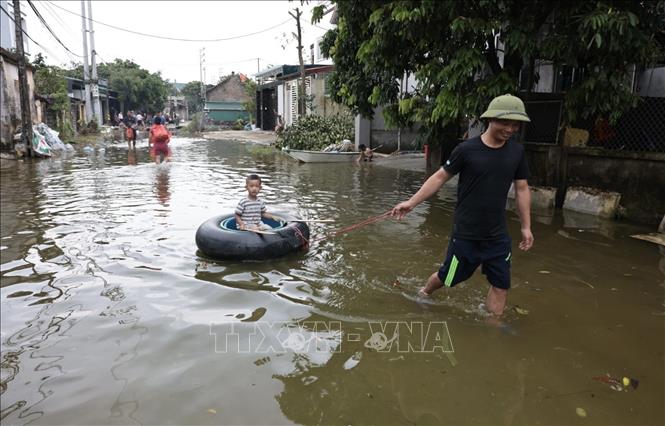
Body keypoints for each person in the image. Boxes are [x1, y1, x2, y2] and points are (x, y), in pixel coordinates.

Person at [391, 94, 534, 316]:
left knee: (501, 284)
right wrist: (411, 203)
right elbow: (439, 177)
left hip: (497, 235)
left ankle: (493, 329)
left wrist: (526, 226)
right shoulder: (467, 150)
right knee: (449, 277)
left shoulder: (516, 152)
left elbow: (522, 188)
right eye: (505, 123)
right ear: (491, 120)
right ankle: (424, 292)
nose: (510, 129)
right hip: (467, 232)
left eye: (515, 125)